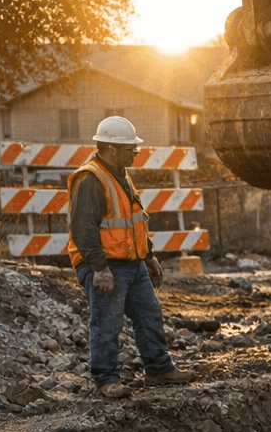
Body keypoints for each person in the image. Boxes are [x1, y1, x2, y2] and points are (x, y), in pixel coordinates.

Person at [66, 116, 195, 399]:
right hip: (106, 265)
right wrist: (99, 268)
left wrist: (148, 255)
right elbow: (83, 228)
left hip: (132, 262)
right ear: (111, 148)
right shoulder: (90, 179)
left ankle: (159, 369)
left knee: (149, 314)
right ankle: (106, 380)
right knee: (107, 322)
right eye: (130, 149)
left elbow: (134, 221)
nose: (135, 153)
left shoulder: (120, 175)